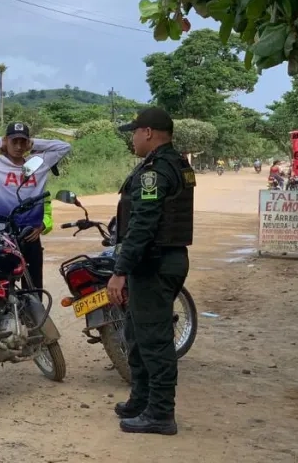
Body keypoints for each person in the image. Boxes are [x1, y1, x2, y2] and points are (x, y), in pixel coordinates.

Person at [107, 107, 195, 436]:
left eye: (134, 132)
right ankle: (141, 399)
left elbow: (143, 225)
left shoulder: (154, 173)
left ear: (147, 133)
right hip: (164, 259)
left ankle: (160, 413)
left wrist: (120, 271)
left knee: (155, 341)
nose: (132, 138)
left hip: (154, 263)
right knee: (136, 332)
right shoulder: (177, 164)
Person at [0, 123, 71, 289]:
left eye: (23, 142)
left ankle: (35, 314)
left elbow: (64, 146)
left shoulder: (37, 164)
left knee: (34, 287)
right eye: (14, 142)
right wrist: (0, 143)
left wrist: (34, 143)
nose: (19, 146)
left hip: (29, 233)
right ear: (7, 141)